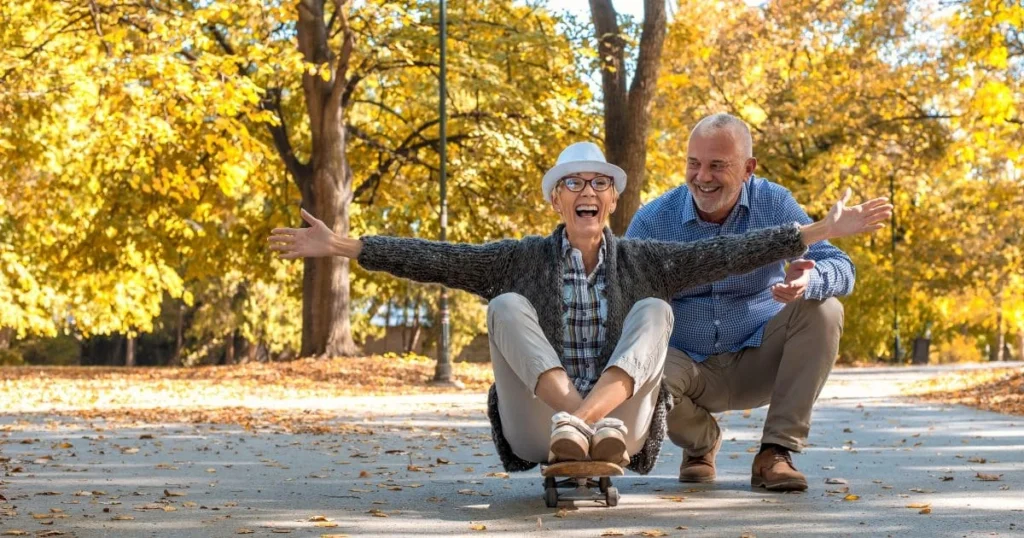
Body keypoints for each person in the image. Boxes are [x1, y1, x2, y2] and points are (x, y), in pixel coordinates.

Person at [270, 141, 891, 475]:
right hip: (540, 423)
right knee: (507, 305)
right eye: (574, 184)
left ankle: (592, 422)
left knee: (654, 311)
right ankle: (576, 419)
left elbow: (736, 251)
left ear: (613, 202)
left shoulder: (646, 259)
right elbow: (438, 257)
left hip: (624, 426)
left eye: (599, 184)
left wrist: (811, 232)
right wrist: (346, 245)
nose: (587, 192)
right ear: (556, 202)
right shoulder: (519, 259)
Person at [626, 113, 867, 491]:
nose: (702, 177)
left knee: (826, 308)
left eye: (717, 165)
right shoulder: (653, 220)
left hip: (759, 357)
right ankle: (701, 443)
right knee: (634, 363)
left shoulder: (774, 203)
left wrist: (810, 280)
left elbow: (842, 267)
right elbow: (624, 302)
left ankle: (775, 453)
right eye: (694, 163)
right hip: (687, 364)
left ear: (748, 168)